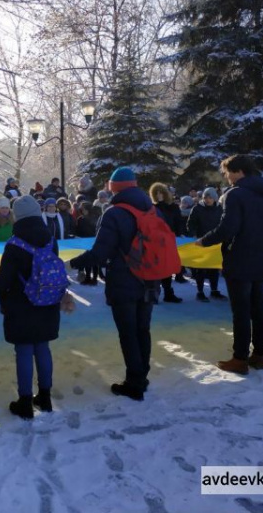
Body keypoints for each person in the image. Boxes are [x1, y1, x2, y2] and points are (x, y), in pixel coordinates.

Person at [70, 167, 159, 401]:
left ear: (113, 188)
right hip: (149, 278)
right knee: (143, 330)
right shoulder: (151, 209)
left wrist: (74, 263)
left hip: (124, 279)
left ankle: (134, 383)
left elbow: (100, 253)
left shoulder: (114, 213)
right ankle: (142, 375)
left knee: (128, 333)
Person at [195, 155, 263, 374]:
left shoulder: (235, 194)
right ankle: (259, 356)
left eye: (227, 172)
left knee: (241, 311)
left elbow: (228, 228)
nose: (226, 177)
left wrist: (204, 241)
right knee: (258, 308)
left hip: (240, 259)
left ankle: (240, 359)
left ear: (238, 171)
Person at [0, 195, 61, 419]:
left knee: (25, 351)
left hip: (21, 305)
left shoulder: (14, 244)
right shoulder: (50, 239)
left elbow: (3, 281)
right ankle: (45, 397)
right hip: (47, 301)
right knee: (43, 348)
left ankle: (25, 402)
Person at [187, 188, 226, 302]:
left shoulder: (220, 209)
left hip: (215, 242)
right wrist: (193, 235)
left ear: (214, 198)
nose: (207, 200)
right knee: (201, 269)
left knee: (214, 268)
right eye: (205, 197)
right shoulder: (197, 209)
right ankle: (200, 291)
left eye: (210, 198)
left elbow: (223, 223)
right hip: (201, 242)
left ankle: (214, 290)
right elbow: (190, 224)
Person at [149, 183, 184, 303]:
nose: (159, 195)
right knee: (157, 268)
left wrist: (180, 233)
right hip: (157, 242)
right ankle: (154, 294)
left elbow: (179, 222)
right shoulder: (152, 208)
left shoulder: (173, 207)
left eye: (161, 192)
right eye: (156, 193)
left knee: (168, 268)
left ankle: (168, 293)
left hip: (170, 240)